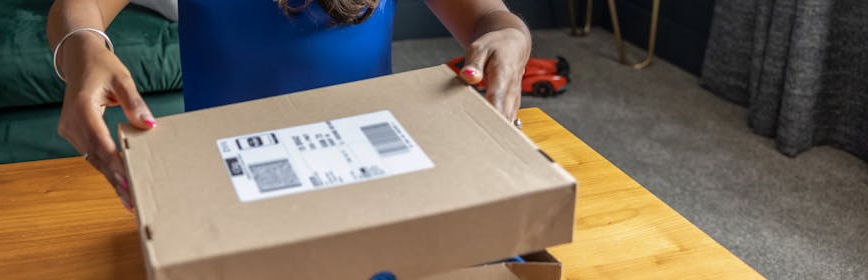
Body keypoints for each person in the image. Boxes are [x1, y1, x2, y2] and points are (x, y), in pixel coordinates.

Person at [48, 0, 531, 210]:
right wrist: (82, 45)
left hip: (366, 182)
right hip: (223, 188)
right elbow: (77, 11)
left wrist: (509, 37)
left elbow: (490, 17)